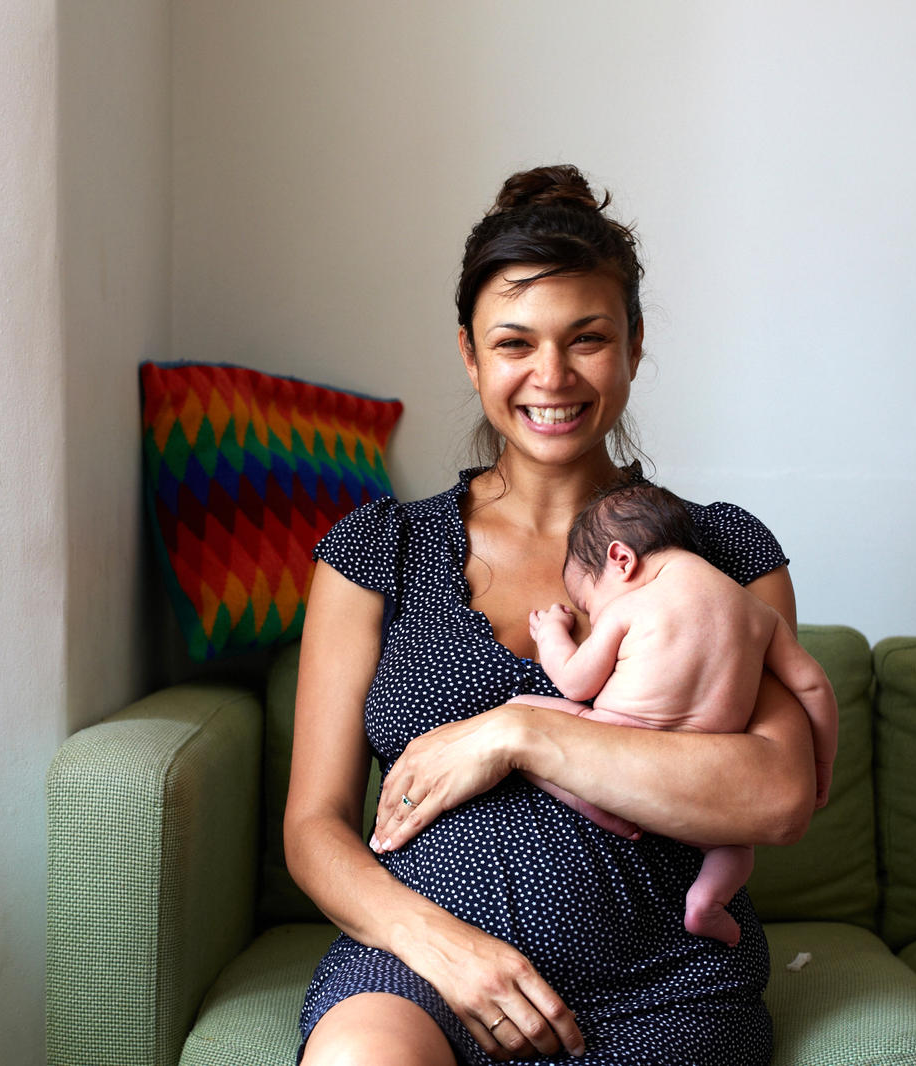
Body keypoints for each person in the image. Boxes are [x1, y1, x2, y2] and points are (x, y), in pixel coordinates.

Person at [284, 164, 817, 1066]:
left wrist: (517, 734)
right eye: (514, 343)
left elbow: (775, 794)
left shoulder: (721, 551)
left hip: (662, 983)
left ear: (634, 345)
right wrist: (441, 949)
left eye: (587, 338)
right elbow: (313, 829)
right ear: (469, 355)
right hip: (421, 974)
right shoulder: (376, 551)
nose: (551, 376)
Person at [514, 482, 839, 948]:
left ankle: (592, 803)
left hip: (615, 742)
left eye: (588, 603)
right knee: (735, 848)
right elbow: (813, 686)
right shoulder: (758, 612)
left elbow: (574, 683)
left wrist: (552, 634)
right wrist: (821, 764)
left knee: (520, 714)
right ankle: (706, 902)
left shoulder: (630, 607)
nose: (592, 615)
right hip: (704, 784)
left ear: (621, 560)